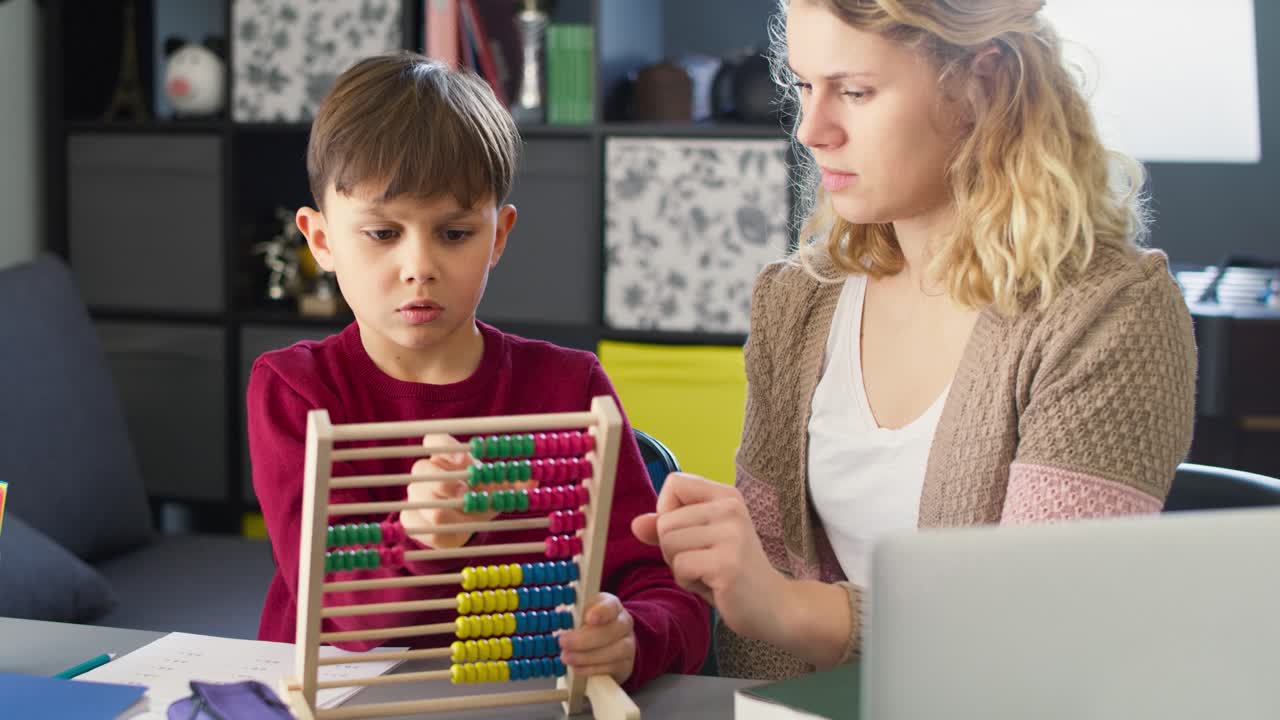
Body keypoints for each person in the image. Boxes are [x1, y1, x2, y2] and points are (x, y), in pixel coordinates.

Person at [632, 0, 1197, 681]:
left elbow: (1047, 627)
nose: (813, 130)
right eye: (804, 86)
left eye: (856, 92)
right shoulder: (796, 301)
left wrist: (788, 607)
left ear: (979, 85)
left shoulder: (1108, 314)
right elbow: (764, 623)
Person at [246, 52, 709, 689]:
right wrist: (416, 537)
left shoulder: (570, 390)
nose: (419, 266)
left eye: (455, 233)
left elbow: (663, 590)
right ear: (321, 240)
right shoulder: (296, 391)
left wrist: (634, 634)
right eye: (382, 233)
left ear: (498, 235)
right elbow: (333, 606)